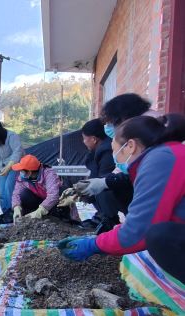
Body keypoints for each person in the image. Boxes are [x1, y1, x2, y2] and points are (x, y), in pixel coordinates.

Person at [58, 115, 185, 283]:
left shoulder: (159, 161)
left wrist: (93, 245)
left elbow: (137, 232)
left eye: (115, 150)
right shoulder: (167, 153)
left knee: (159, 236)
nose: (116, 159)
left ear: (130, 146)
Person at [75, 93, 152, 212]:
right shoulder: (141, 136)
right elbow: (121, 169)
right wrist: (103, 182)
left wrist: (104, 182)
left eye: (112, 123)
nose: (108, 127)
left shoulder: (151, 146)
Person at [80, 118, 121, 232]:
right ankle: (103, 216)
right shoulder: (99, 149)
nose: (83, 141)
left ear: (93, 139)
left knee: (100, 188)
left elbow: (103, 179)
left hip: (115, 191)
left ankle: (108, 219)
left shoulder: (106, 150)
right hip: (112, 186)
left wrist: (84, 191)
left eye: (84, 138)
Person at [11, 154, 62, 222]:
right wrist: (16, 207)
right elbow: (16, 193)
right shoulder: (23, 177)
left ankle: (46, 215)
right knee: (24, 194)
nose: (20, 172)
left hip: (54, 202)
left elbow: (53, 196)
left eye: (22, 170)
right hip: (38, 199)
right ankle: (28, 217)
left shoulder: (49, 174)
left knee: (56, 216)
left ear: (29, 172)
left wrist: (40, 211)